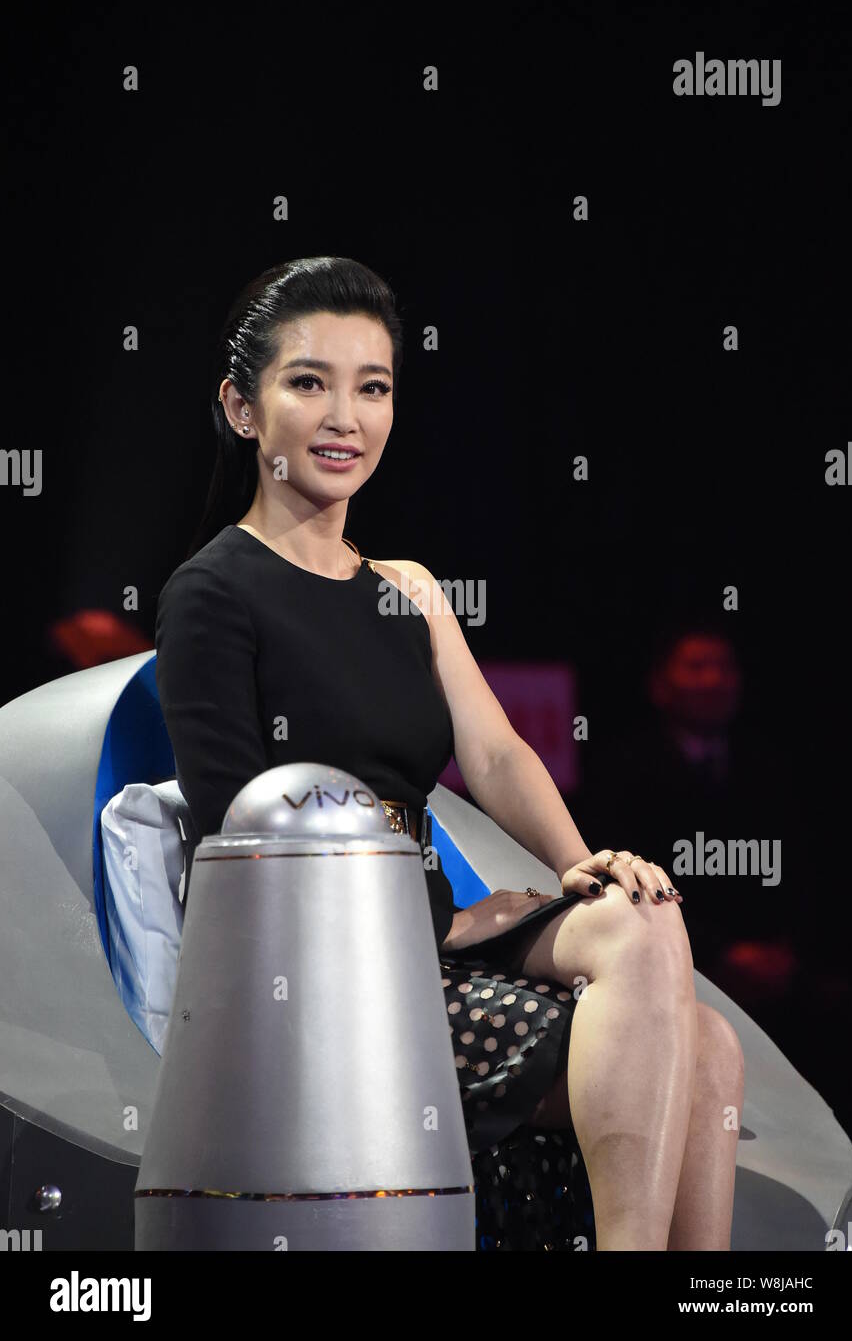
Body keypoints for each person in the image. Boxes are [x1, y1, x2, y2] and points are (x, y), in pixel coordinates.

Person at [154, 256, 744, 1251]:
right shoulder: (210, 595)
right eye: (309, 382)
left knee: (652, 941)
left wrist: (574, 867)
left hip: (433, 945)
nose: (345, 416)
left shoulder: (409, 587)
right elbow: (241, 839)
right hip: (335, 975)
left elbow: (497, 751)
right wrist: (445, 914)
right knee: (696, 1043)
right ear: (241, 408)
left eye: (372, 387)